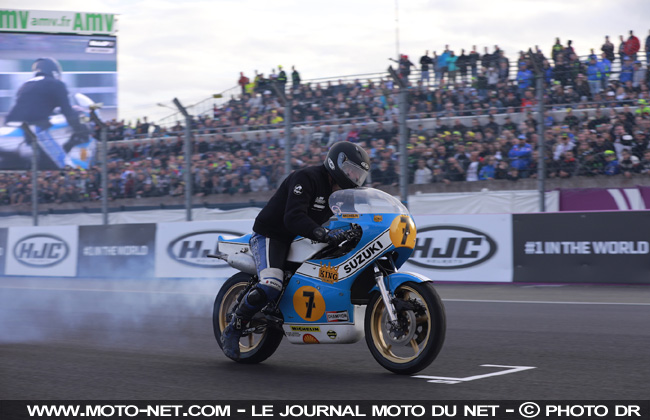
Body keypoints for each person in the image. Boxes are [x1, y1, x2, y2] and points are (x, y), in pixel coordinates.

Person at [221, 141, 371, 360]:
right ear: (336, 163)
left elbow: (355, 219)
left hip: (304, 238)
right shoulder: (307, 178)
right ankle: (235, 326)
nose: (354, 177)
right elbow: (292, 217)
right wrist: (323, 234)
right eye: (351, 171)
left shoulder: (345, 195)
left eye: (359, 175)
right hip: (273, 234)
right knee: (272, 284)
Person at [4, 57, 89, 169]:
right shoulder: (56, 84)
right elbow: (68, 112)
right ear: (53, 71)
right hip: (34, 128)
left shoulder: (26, 84)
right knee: (60, 164)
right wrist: (81, 129)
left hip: (14, 127)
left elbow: (36, 106)